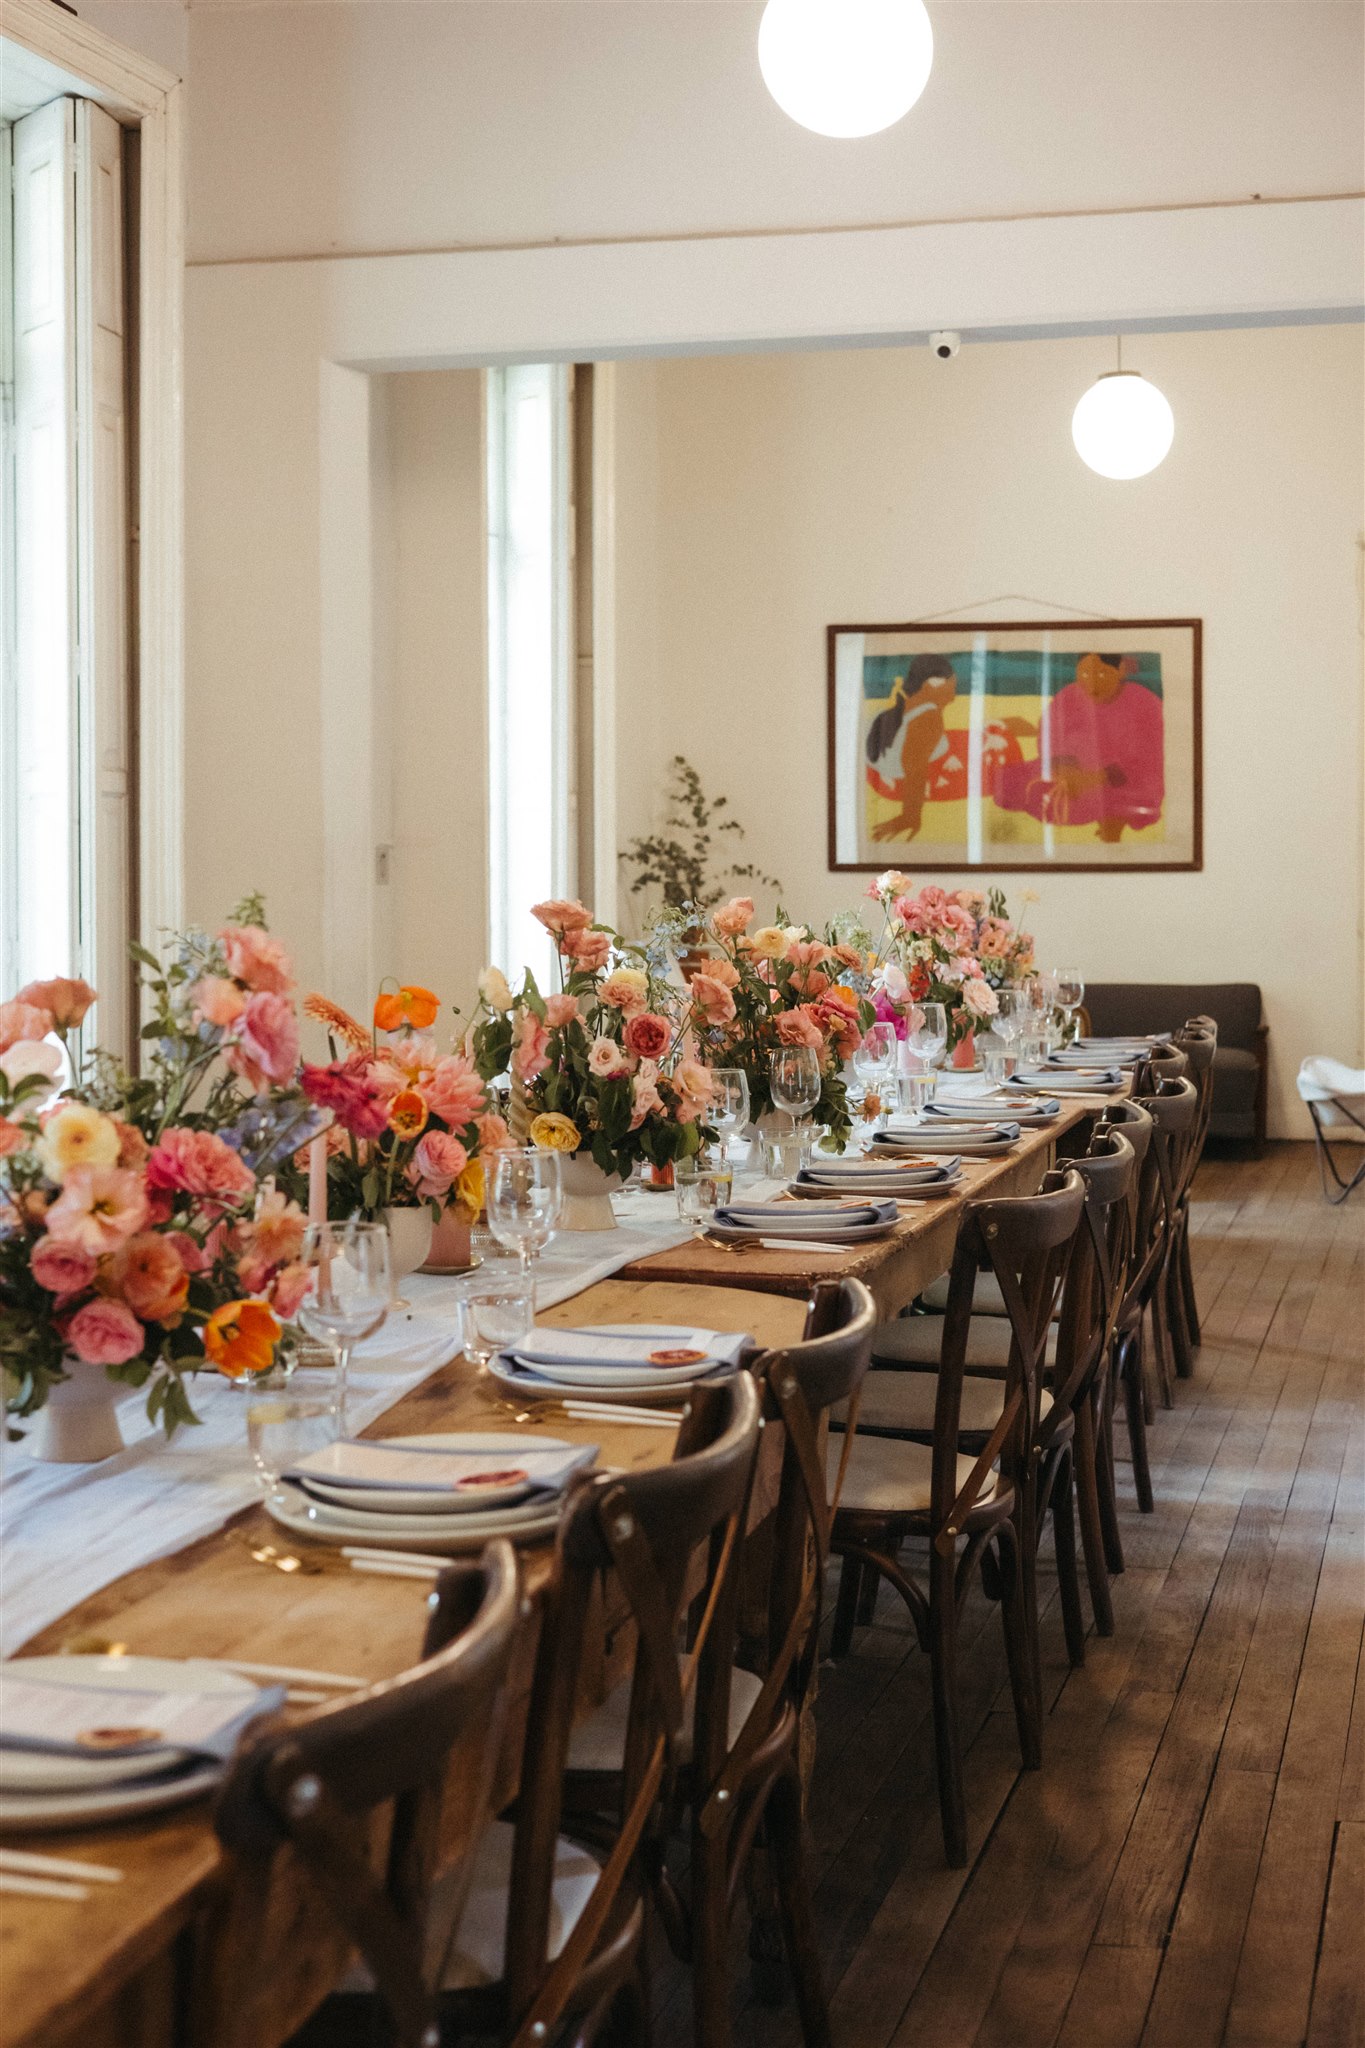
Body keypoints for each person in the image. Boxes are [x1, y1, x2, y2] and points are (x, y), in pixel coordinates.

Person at [991, 651, 1164, 843]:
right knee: (1006, 780)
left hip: (1118, 780)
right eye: (1084, 674)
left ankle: (1110, 821)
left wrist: (1095, 778)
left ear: (1121, 670)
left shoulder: (1143, 702)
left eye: (1102, 674)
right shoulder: (1068, 696)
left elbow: (1147, 759)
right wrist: (1062, 766)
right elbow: (1048, 735)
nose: (1092, 683)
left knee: (1117, 801)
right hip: (1070, 770)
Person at [864, 655, 959, 842]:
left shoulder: (906, 707)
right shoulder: (928, 718)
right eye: (951, 688)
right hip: (893, 765)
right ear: (932, 684)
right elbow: (914, 768)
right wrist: (911, 816)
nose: (954, 697)